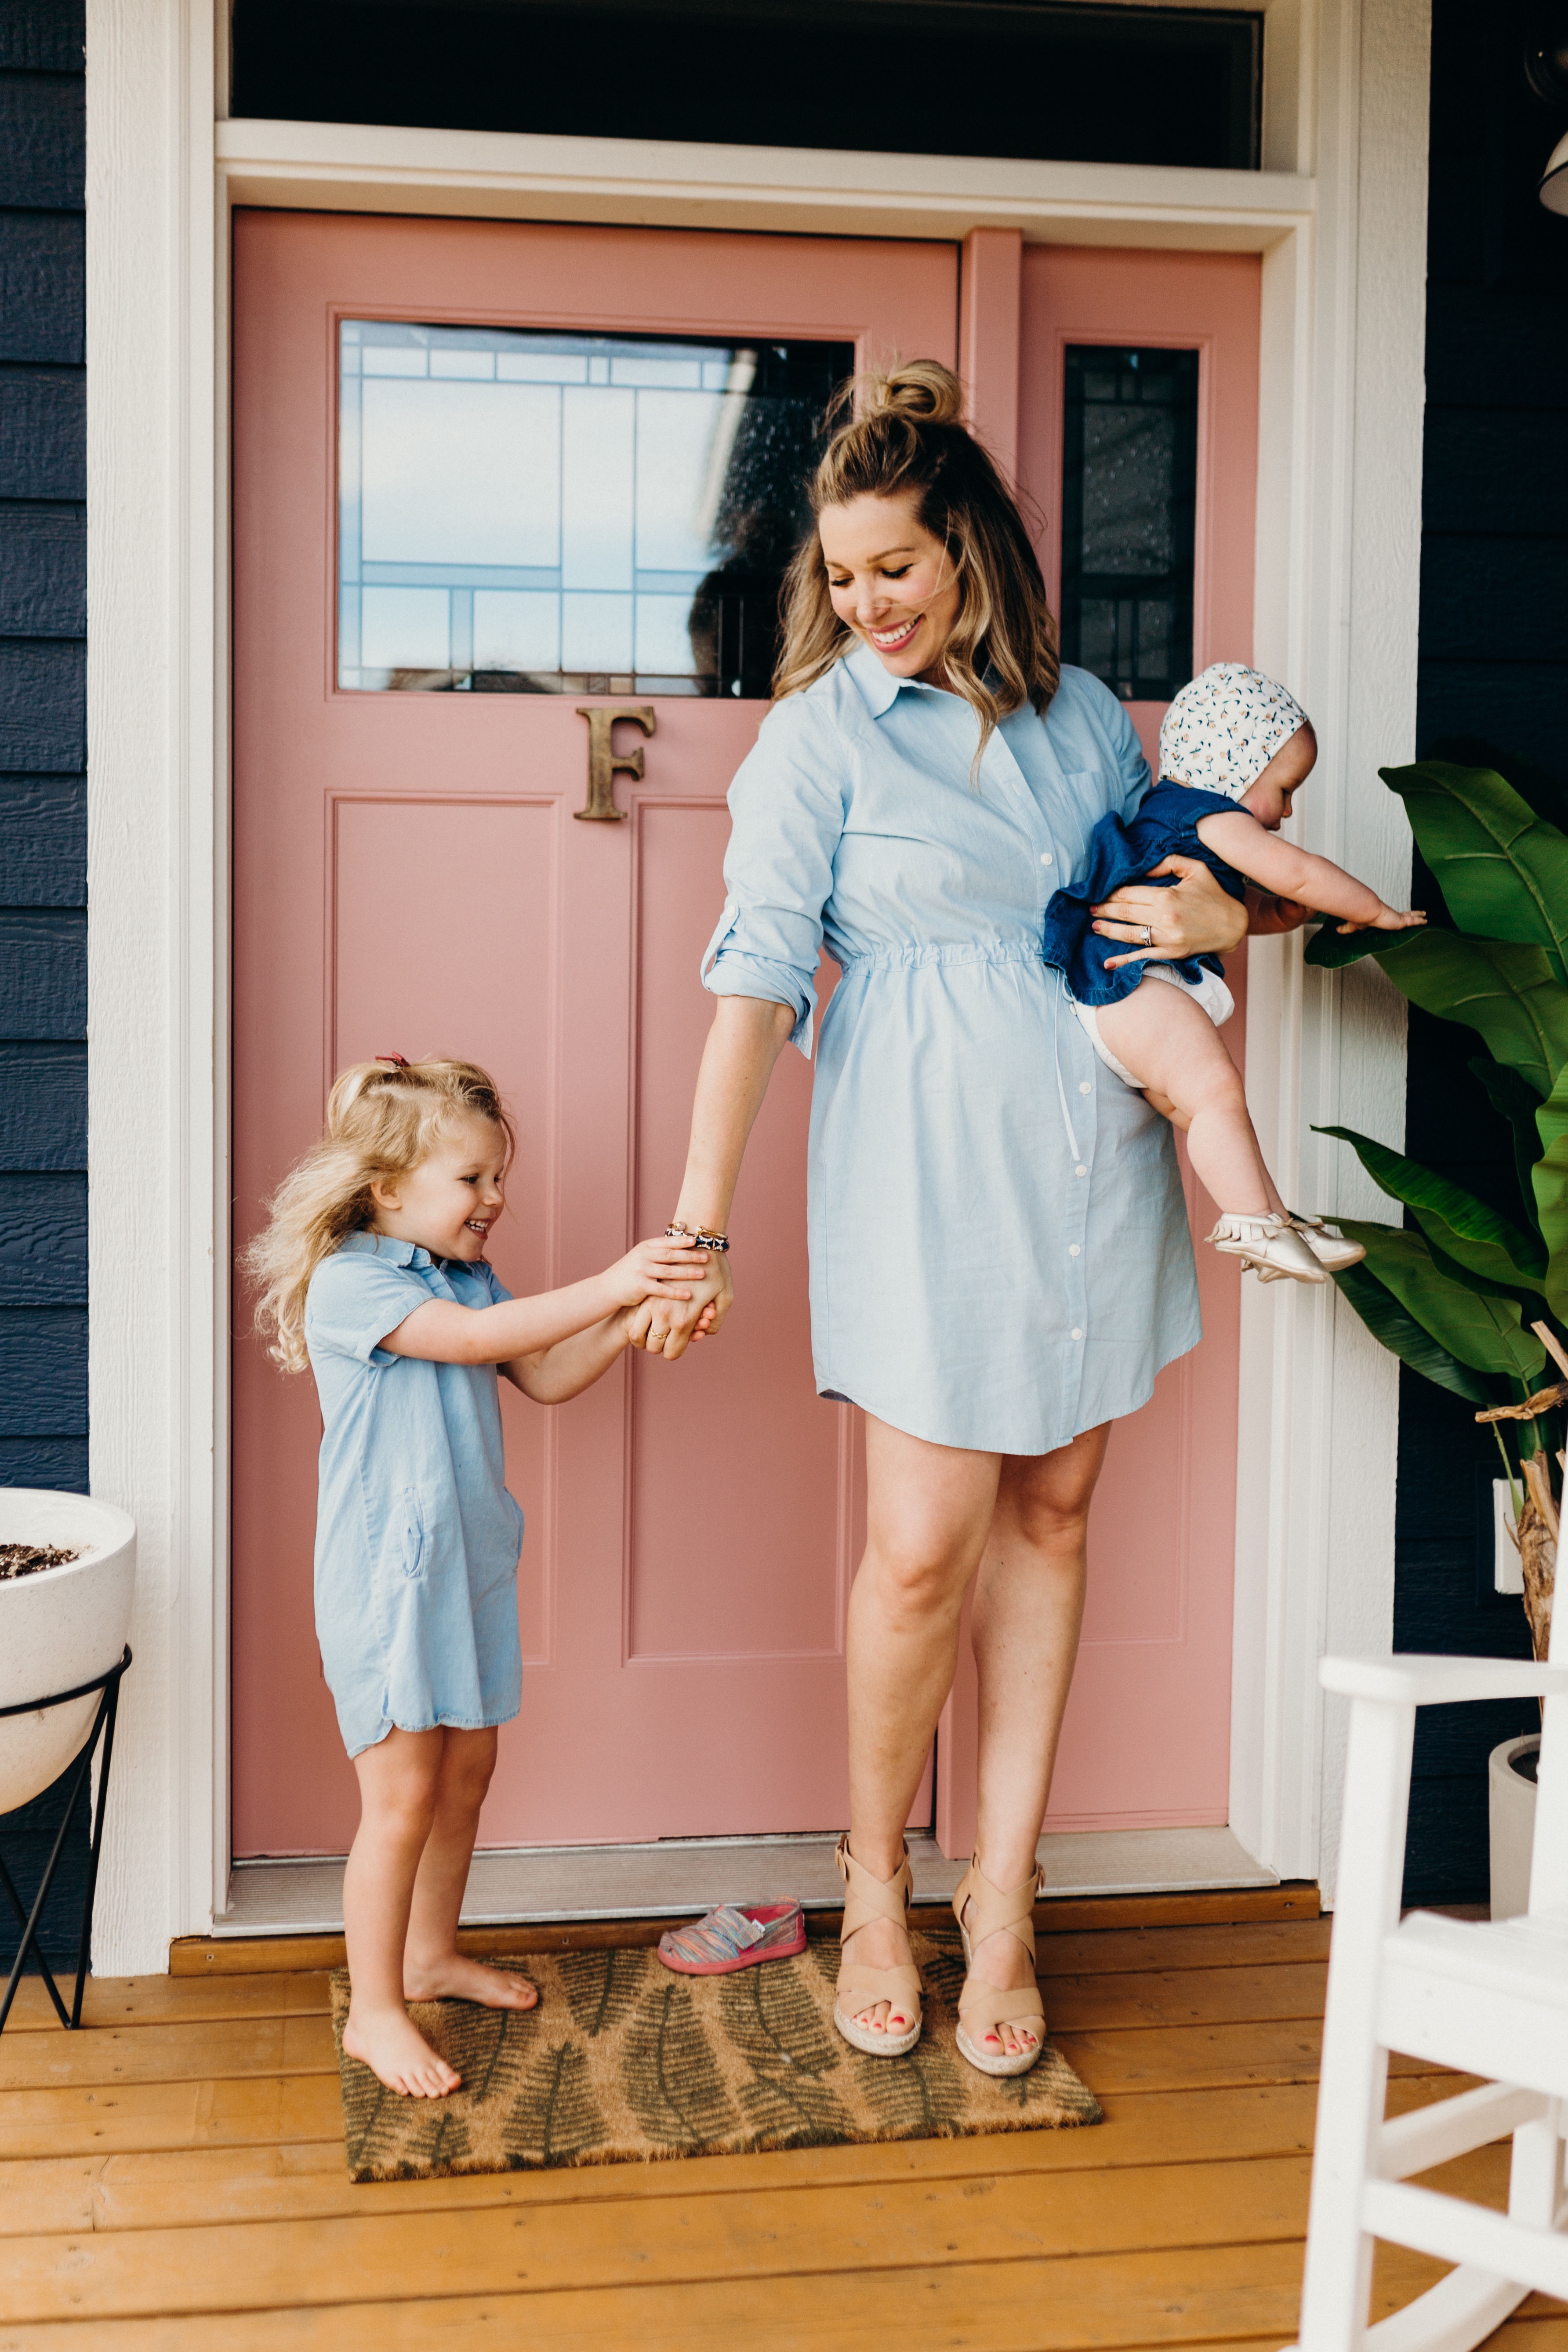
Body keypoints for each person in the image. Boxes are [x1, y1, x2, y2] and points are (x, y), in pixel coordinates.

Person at [630, 361, 1309, 2078]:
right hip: (920, 1166)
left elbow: (1177, 885)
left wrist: (1206, 911)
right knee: (922, 1543)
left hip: (1091, 1153)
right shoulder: (815, 741)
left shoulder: (1085, 715)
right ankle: (873, 1884)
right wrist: (698, 1224)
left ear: (971, 554)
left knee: (1056, 1521)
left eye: (895, 570)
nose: (864, 604)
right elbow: (755, 987)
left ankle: (1002, 1894)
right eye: (841, 576)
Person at [244, 1055, 712, 2098]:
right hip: (389, 1578)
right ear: (386, 1188)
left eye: (499, 1179)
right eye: (473, 1181)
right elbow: (472, 1343)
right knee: (401, 1794)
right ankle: (375, 2009)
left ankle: (429, 1955)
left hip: (465, 1562)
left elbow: (541, 1371)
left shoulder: (461, 1275)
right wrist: (615, 1279)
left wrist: (632, 1321)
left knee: (464, 1776)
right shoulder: (355, 1283)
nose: (495, 1199)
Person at [1041, 662, 1422, 1283]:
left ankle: (1275, 1218)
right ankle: (1252, 1223)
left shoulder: (1181, 822)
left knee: (1210, 1114)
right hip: (1136, 991)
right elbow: (1298, 870)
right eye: (1286, 788)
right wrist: (1373, 910)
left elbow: (1247, 910)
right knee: (1220, 1095)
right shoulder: (1212, 817)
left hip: (1124, 1000)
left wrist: (1283, 915)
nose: (1288, 812)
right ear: (1240, 768)